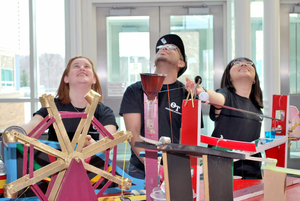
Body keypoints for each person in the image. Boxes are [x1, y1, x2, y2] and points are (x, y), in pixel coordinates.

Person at [119, 34, 203, 179]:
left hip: (176, 169)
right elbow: (133, 132)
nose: (164, 48)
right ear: (154, 61)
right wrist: (153, 166)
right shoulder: (134, 90)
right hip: (140, 170)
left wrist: (175, 169)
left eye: (172, 47)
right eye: (160, 47)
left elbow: (188, 138)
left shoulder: (188, 95)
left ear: (181, 63)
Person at [186, 57, 263, 179]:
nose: (243, 64)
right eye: (236, 63)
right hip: (223, 171)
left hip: (252, 171)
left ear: (254, 79)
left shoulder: (257, 107)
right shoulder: (226, 95)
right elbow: (216, 98)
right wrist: (202, 91)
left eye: (249, 63)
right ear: (229, 78)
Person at [22, 56, 118, 145]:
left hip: (93, 163)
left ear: (94, 79)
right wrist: (16, 133)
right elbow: (32, 126)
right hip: (57, 163)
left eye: (86, 66)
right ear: (66, 78)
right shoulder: (52, 107)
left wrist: (95, 147)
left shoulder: (105, 112)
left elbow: (107, 143)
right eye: (76, 66)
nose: (82, 68)